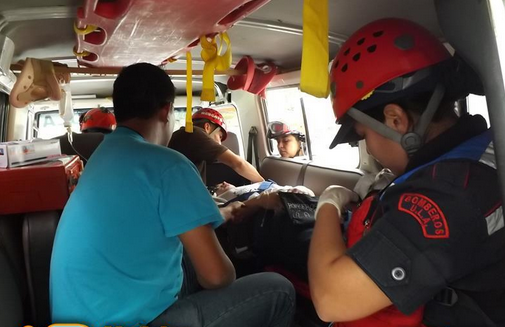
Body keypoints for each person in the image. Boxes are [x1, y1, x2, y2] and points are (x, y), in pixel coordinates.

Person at [50, 63, 295, 327]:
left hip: (78, 317)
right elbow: (216, 277)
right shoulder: (168, 164)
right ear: (166, 110)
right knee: (278, 289)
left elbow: (143, 225)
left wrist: (221, 214)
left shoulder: (100, 158)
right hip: (136, 320)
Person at [308, 18, 505, 327]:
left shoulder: (450, 191)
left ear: (395, 120)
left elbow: (331, 299)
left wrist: (328, 206)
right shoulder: (480, 153)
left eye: (363, 136)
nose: (369, 150)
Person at [169, 107, 264, 184]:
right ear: (207, 127)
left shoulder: (183, 136)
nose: (219, 143)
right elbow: (238, 164)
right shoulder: (195, 134)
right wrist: (265, 184)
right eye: (219, 136)